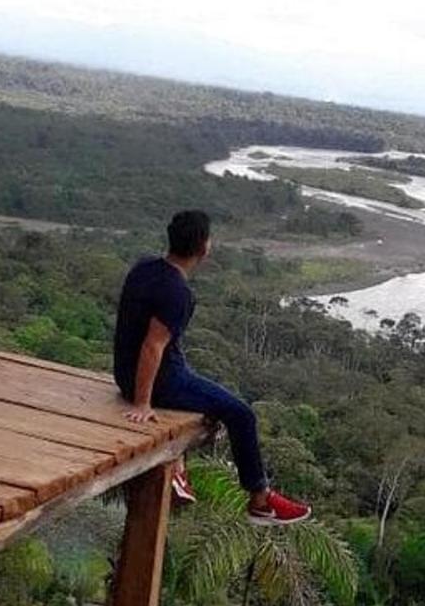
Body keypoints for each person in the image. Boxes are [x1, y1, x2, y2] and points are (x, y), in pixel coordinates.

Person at [113, 209, 312, 526]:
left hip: (123, 374)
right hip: (162, 383)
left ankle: (179, 468)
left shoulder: (143, 268)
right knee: (241, 413)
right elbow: (153, 346)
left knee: (209, 392)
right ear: (204, 247)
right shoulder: (179, 293)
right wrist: (142, 402)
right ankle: (260, 501)